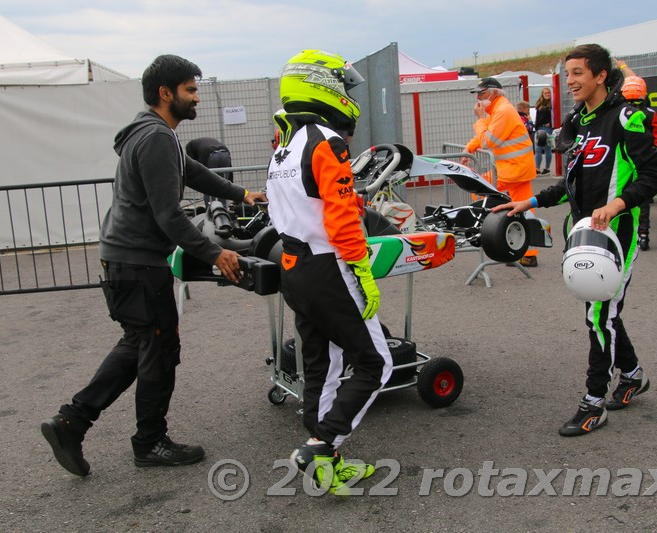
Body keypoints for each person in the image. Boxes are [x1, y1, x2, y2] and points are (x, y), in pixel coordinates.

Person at [40, 54, 266, 476]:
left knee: (139, 344)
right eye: (190, 90)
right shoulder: (156, 137)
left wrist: (241, 194)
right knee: (159, 351)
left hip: (125, 260)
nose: (197, 98)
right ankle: (149, 443)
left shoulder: (156, 133)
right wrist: (216, 254)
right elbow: (169, 216)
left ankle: (71, 422)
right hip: (139, 264)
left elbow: (192, 171)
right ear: (166, 93)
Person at [492, 44, 657, 436]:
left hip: (617, 234)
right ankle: (632, 374)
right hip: (582, 231)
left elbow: (655, 176)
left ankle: (593, 402)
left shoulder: (627, 118)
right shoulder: (581, 122)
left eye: (578, 73)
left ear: (601, 76)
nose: (569, 81)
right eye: (567, 74)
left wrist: (617, 205)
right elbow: (571, 184)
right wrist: (529, 202)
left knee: (599, 315)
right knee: (602, 312)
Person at [266, 50, 393, 495]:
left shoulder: (284, 144)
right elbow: (340, 220)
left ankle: (327, 463)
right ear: (322, 86)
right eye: (344, 84)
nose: (348, 94)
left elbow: (297, 204)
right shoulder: (326, 140)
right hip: (328, 266)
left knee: (323, 366)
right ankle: (320, 448)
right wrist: (363, 271)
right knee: (376, 364)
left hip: (293, 265)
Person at [463, 77, 539, 267]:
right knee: (524, 208)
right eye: (477, 94)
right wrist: (469, 148)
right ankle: (527, 252)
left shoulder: (502, 111)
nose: (478, 98)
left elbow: (488, 141)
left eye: (481, 93)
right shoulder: (497, 110)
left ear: (494, 93)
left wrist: (480, 119)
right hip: (516, 167)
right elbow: (484, 136)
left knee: (479, 187)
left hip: (513, 168)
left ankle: (496, 230)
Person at [616, 60, 657, 251]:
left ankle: (629, 232)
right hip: (643, 160)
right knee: (641, 199)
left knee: (623, 195)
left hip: (626, 161)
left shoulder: (620, 113)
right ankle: (643, 234)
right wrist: (654, 151)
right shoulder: (649, 112)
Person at [185, 137, 234, 209]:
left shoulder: (190, 147)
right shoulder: (205, 142)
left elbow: (193, 165)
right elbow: (229, 169)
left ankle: (210, 210)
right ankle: (223, 210)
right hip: (225, 153)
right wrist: (230, 181)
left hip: (210, 155)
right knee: (223, 185)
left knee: (208, 185)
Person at [534, 87, 554, 175]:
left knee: (547, 148)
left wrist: (551, 123)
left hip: (547, 128)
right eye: (546, 93)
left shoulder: (552, 104)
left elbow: (554, 115)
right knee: (538, 149)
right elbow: (537, 117)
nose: (547, 94)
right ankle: (537, 168)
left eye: (549, 93)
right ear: (542, 94)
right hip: (539, 128)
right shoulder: (539, 104)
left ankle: (547, 168)